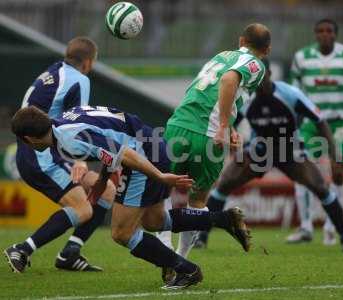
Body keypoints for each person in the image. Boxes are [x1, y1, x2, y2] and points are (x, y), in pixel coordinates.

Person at [10, 105, 251, 289]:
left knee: (121, 233)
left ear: (28, 139)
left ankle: (186, 269)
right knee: (154, 221)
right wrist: (104, 179)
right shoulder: (65, 119)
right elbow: (111, 144)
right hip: (150, 145)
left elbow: (123, 153)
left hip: (142, 157)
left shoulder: (69, 138)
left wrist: (160, 176)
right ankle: (224, 219)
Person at [205, 63, 343, 253]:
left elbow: (320, 120)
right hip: (259, 151)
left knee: (320, 187)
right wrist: (235, 152)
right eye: (254, 78)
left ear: (269, 74)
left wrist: (334, 153)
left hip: (290, 151)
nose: (257, 82)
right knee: (224, 183)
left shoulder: (290, 94)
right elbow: (228, 124)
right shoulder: (246, 99)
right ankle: (201, 238)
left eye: (261, 76)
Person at [157, 23, 270, 264]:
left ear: (241, 41)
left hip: (178, 124)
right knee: (197, 201)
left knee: (160, 189)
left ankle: (165, 252)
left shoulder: (222, 55)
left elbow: (218, 90)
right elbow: (229, 81)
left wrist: (228, 128)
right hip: (206, 135)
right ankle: (178, 260)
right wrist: (222, 127)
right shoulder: (257, 65)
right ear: (267, 50)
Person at [3, 37, 116, 273]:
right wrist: (80, 160)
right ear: (88, 62)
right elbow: (79, 121)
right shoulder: (79, 79)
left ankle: (70, 253)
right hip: (42, 155)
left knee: (106, 190)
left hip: (38, 152)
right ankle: (22, 249)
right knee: (83, 209)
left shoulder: (53, 72)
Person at [287, 18, 343, 245]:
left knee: (338, 170)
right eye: (320, 31)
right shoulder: (302, 58)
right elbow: (293, 94)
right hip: (312, 122)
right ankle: (306, 227)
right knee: (301, 168)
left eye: (329, 31)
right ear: (315, 34)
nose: (324, 34)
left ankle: (331, 225)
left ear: (335, 34)